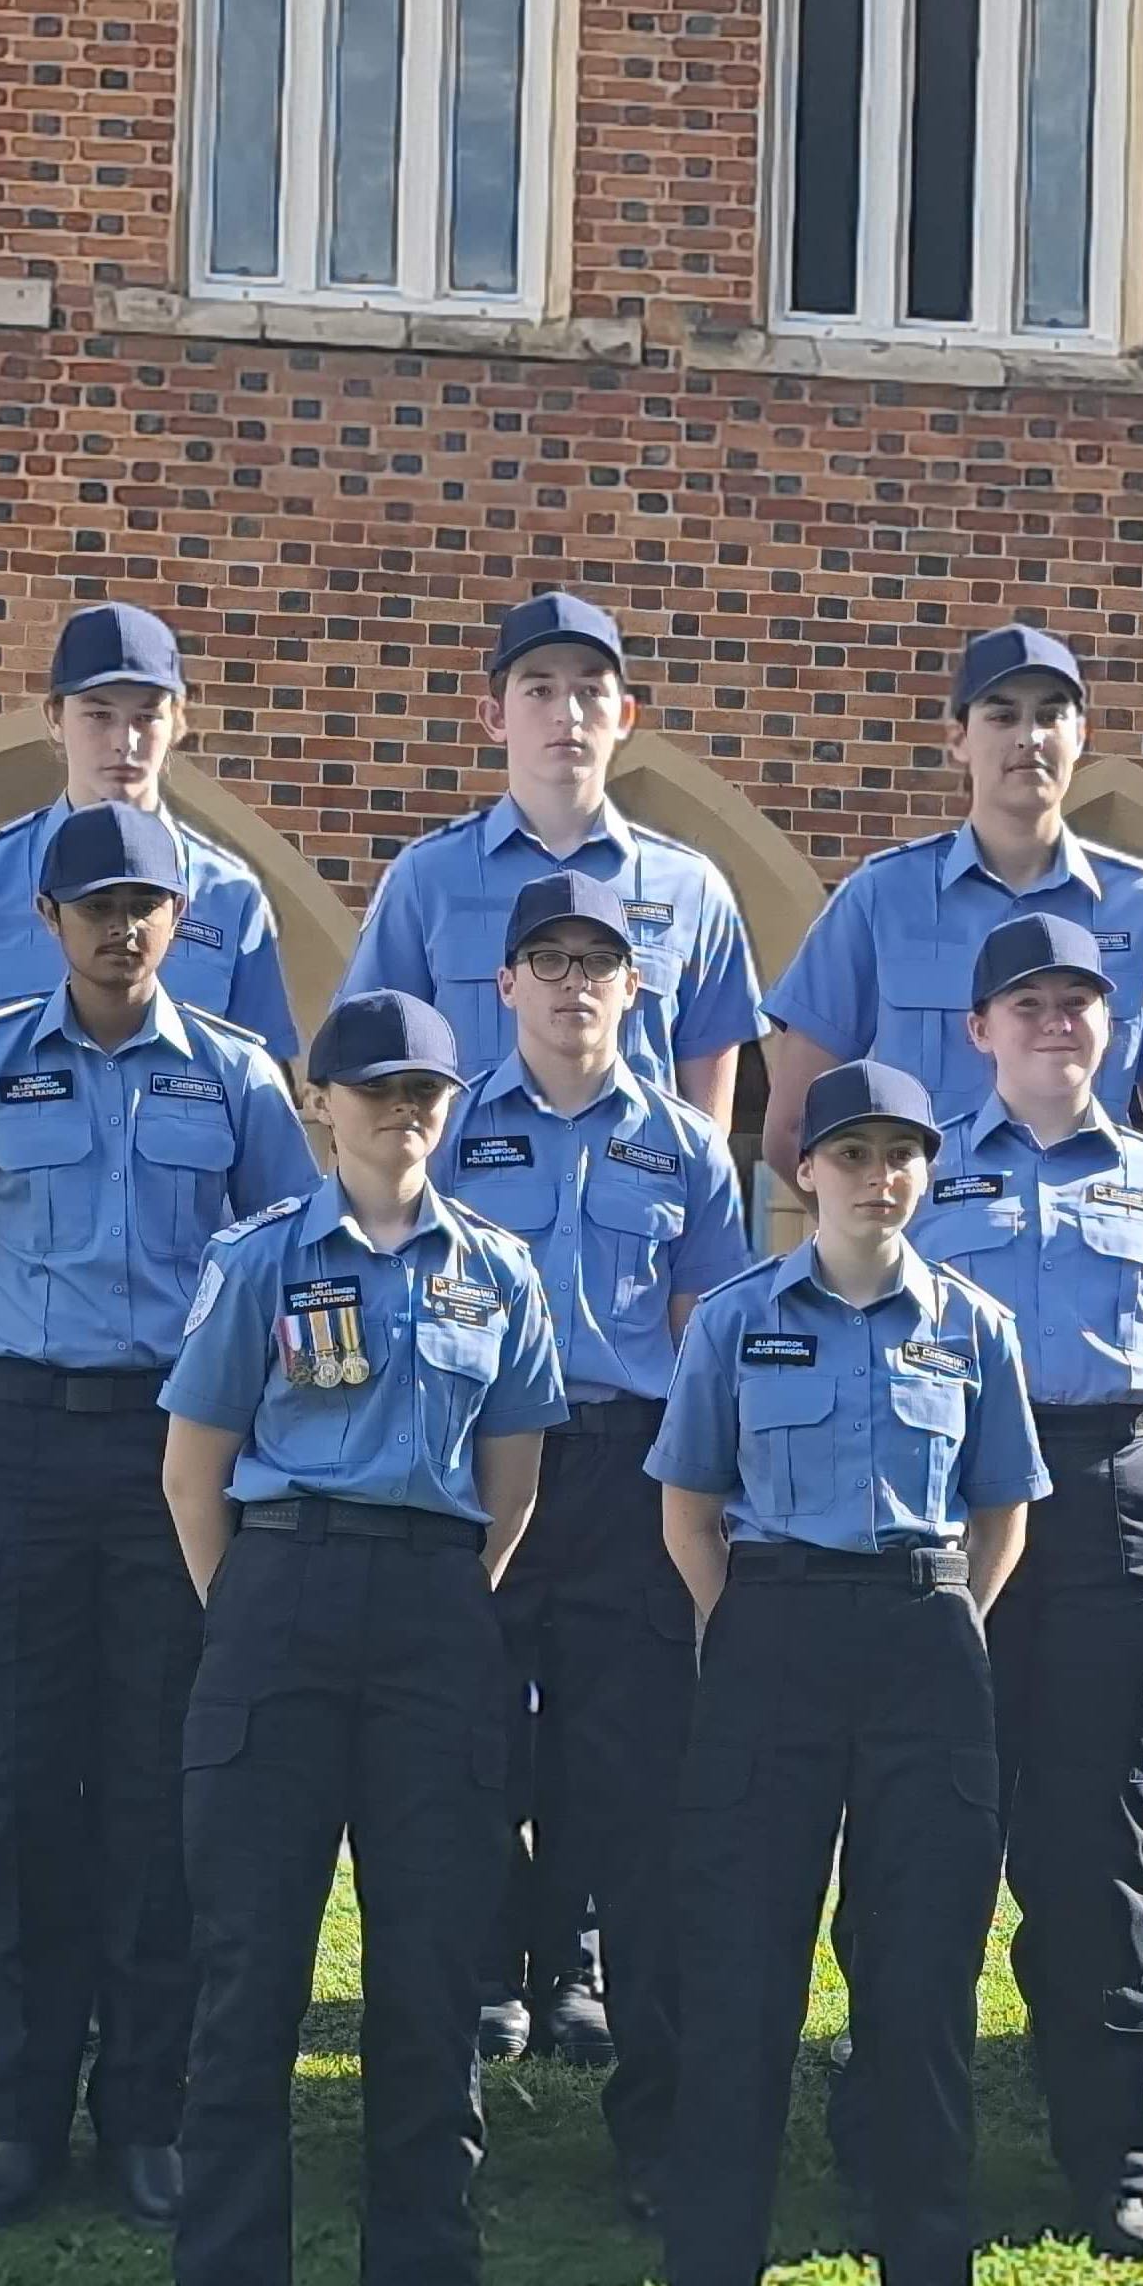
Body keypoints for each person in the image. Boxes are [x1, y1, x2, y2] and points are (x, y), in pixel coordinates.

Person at [0, 801, 319, 2235]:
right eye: (94, 906)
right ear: (48, 921)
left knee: (157, 1788)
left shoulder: (236, 1080)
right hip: (16, 1453)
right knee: (13, 1778)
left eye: (147, 906)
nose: (121, 930)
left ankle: (148, 2114)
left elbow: (301, 1284)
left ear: (183, 925)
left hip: (174, 1464)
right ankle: (20, 2112)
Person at [160, 990, 566, 2286]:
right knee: (249, 1983)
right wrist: (265, 1614)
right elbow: (194, 1476)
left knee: (428, 1995)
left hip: (431, 1619)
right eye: (374, 1087)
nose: (403, 1111)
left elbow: (510, 1490)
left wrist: (424, 1599)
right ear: (318, 1100)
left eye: (427, 1091)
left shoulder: (501, 1276)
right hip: (278, 1600)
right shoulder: (260, 1262)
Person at [643, 1060, 1048, 2286]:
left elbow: (1003, 1517)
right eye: (852, 1153)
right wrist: (756, 1628)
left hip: (926, 1639)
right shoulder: (739, 1324)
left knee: (923, 2000)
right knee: (739, 1995)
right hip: (772, 1642)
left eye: (903, 1155)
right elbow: (690, 1509)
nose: (879, 1177)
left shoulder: (977, 1329)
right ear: (802, 1171)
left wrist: (934, 1622)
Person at [894, 909, 1143, 2260]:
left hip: (1117, 1504)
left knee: (1099, 1852)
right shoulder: (923, 1181)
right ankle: (902, 2143)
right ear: (979, 1029)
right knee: (930, 1842)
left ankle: (1118, 2162)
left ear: (1110, 1029)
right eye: (1027, 1004)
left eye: (1080, 1004)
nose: (1056, 1025)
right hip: (954, 1507)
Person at [428, 869, 749, 2212]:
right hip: (480, 1463)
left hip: (628, 1476)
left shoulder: (685, 1147)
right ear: (505, 987)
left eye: (597, 964)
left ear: (637, 988)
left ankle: (662, 2125)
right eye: (545, 963)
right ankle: (432, 2099)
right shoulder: (447, 1133)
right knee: (451, 1774)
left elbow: (714, 1337)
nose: (572, 987)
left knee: (643, 1794)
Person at [759, 624, 1143, 1179]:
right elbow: (792, 1132)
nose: (1029, 737)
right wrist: (871, 1254)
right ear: (959, 737)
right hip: (926, 1249)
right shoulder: (882, 899)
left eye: (1051, 715)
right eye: (1003, 715)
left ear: (1081, 734)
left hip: (1089, 1252)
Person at [343, 589, 761, 1124]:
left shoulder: (691, 889)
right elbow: (371, 1063)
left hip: (636, 1203)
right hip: (468, 1202)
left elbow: (708, 1124)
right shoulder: (428, 880)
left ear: (625, 715)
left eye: (590, 690)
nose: (568, 713)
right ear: (494, 715)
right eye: (540, 688)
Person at [0, 604, 301, 1060]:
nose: (123, 742)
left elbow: (264, 1081)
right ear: (55, 716)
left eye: (146, 717)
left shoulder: (230, 895)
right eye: (99, 715)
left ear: (179, 721)